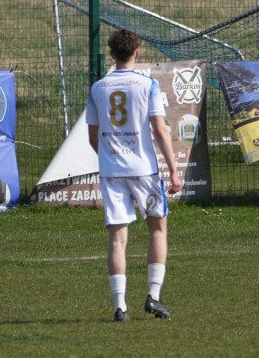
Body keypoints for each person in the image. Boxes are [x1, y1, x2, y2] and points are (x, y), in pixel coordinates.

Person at [87, 30, 182, 322]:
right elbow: (159, 129)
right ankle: (153, 296)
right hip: (144, 171)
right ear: (137, 53)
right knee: (157, 229)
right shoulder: (148, 85)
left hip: (112, 171)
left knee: (118, 238)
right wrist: (173, 170)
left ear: (111, 54)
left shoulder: (98, 88)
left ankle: (120, 307)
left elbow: (93, 137)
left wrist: (110, 158)